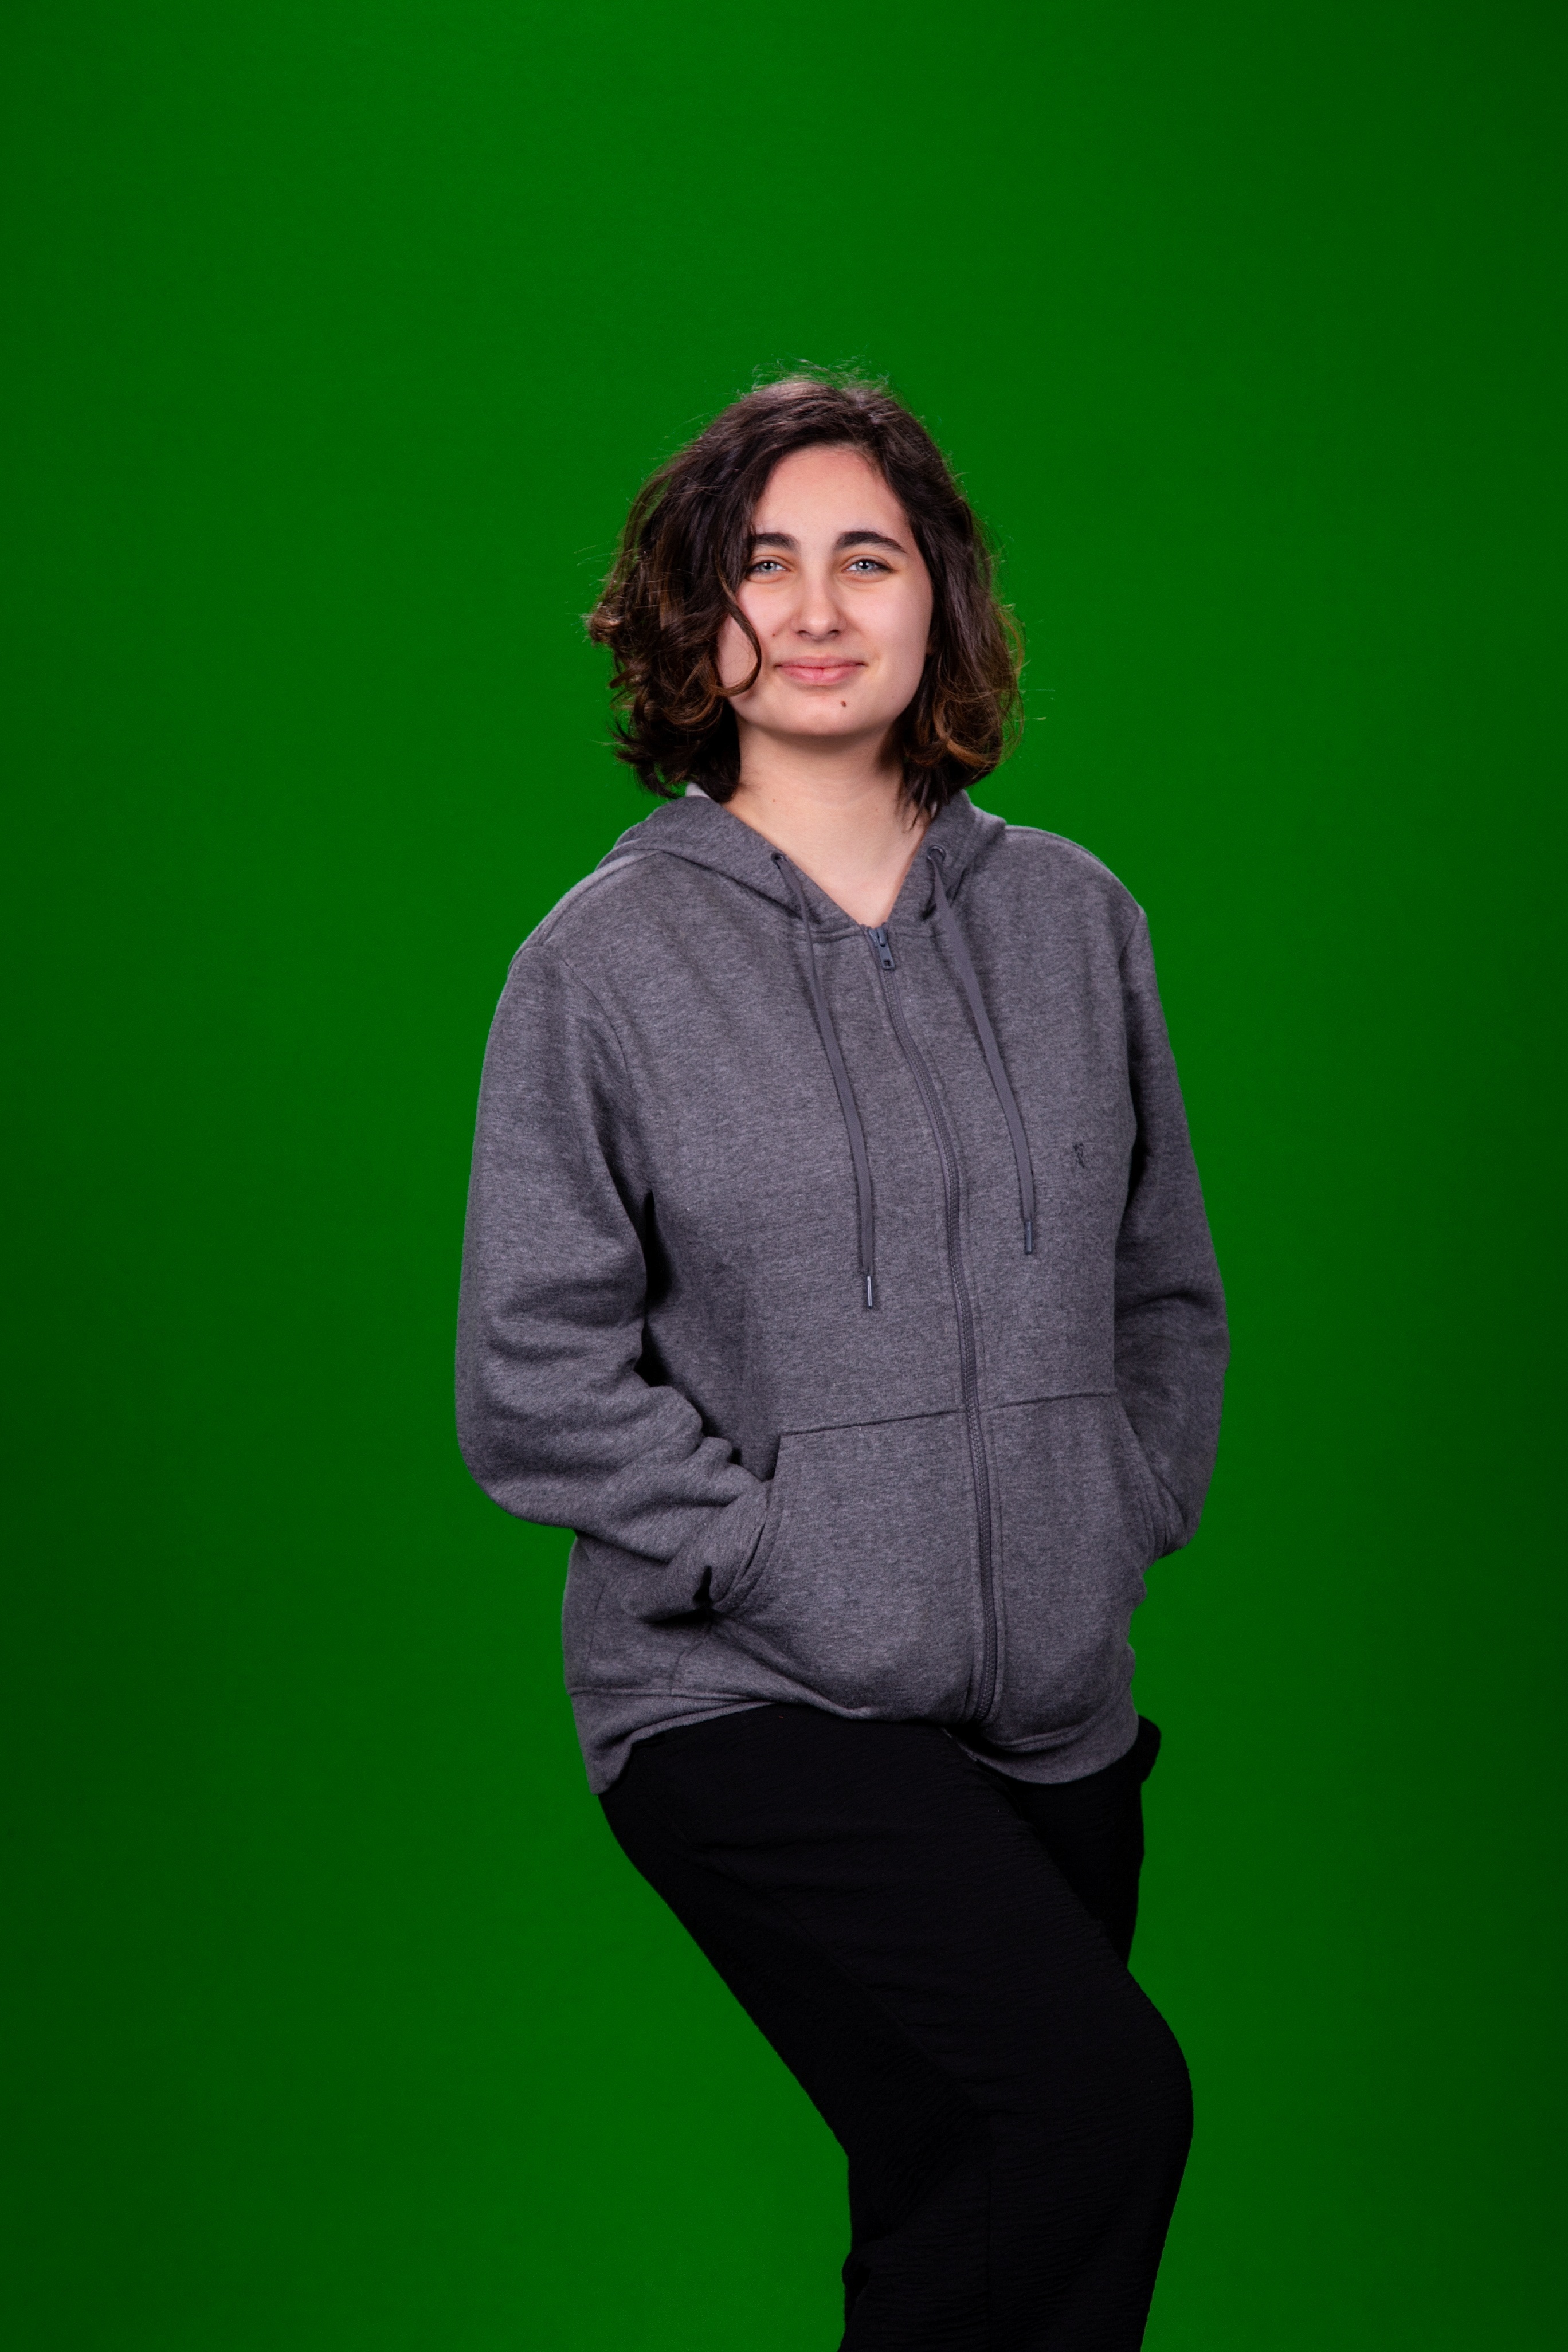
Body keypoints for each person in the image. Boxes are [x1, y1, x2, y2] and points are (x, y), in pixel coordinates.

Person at [456, 373, 1228, 2349]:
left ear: (938, 598)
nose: (814, 608)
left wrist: (1113, 1510)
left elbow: (1162, 1288)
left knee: (980, 2208)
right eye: (761, 564)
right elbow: (529, 1371)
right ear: (691, 618)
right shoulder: (604, 966)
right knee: (1095, 2106)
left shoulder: (1075, 922)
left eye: (865, 560)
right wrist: (773, 1551)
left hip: (1053, 1698)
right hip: (745, 1689)